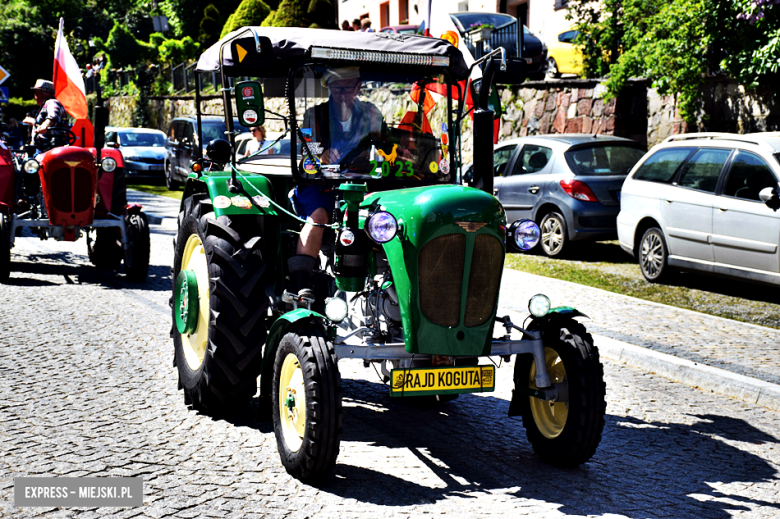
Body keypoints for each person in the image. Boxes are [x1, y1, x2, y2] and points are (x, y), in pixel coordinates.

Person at [288, 68, 385, 298]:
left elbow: (386, 145)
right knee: (319, 216)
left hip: (360, 184)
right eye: (337, 87)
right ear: (329, 87)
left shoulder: (370, 112)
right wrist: (319, 155)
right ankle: (300, 283)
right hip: (319, 184)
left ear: (359, 87)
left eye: (348, 87)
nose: (342, 93)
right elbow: (306, 151)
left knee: (381, 216)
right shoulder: (315, 114)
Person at [22, 79, 69, 151]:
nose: (35, 96)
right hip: (45, 148)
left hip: (47, 148)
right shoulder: (46, 105)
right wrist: (34, 122)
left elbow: (53, 116)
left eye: (36, 92)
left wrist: (45, 125)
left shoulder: (52, 102)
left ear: (41, 92)